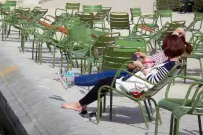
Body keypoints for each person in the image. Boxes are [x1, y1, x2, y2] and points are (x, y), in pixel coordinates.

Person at [61, 33, 193, 112]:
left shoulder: (170, 64)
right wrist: (144, 64)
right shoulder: (174, 63)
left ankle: (79, 104)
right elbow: (155, 76)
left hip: (137, 87)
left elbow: (152, 80)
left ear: (169, 49)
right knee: (106, 79)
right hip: (139, 83)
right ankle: (81, 102)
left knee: (105, 81)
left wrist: (141, 66)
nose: (163, 49)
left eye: (165, 47)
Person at [58, 28, 187, 89]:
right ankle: (74, 79)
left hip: (136, 80)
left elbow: (152, 75)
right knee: (105, 74)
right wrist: (144, 59)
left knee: (104, 76)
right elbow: (152, 65)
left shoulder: (167, 57)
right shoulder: (170, 57)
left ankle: (72, 79)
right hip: (137, 75)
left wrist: (141, 65)